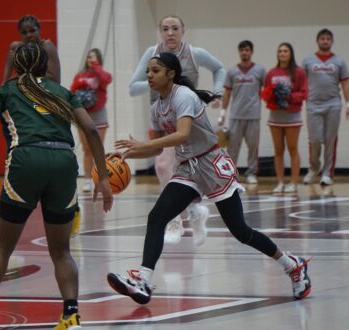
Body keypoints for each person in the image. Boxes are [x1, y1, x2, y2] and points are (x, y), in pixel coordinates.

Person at [106, 53, 311, 305]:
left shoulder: (183, 96)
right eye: (147, 71)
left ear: (170, 74)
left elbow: (182, 135)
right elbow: (158, 149)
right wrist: (128, 153)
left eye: (155, 70)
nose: (148, 75)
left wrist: (142, 144)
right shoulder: (156, 107)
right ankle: (143, 279)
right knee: (157, 216)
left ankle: (292, 265)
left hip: (212, 164)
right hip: (187, 169)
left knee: (240, 231)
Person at [0, 42, 113, 330]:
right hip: (64, 162)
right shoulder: (63, 91)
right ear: (46, 65)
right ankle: (71, 315)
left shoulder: (6, 90)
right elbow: (91, 129)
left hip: (26, 160)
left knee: (2, 245)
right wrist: (103, 178)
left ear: (16, 66)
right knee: (61, 251)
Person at [129, 14, 226, 245]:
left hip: (189, 119)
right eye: (165, 28)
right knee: (164, 165)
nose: (170, 32)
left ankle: (192, 211)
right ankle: (181, 218)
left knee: (189, 168)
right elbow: (132, 88)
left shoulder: (195, 53)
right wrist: (159, 80)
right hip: (162, 117)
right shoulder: (152, 54)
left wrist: (218, 92)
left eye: (174, 28)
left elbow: (219, 68)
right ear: (160, 32)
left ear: (183, 30)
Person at [302, 29, 349, 186]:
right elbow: (301, 82)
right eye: (322, 38)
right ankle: (314, 169)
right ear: (317, 41)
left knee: (330, 140)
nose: (325, 41)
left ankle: (327, 173)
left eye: (328, 39)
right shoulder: (308, 61)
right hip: (313, 104)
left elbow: (345, 83)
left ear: (332, 41)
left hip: (333, 104)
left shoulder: (339, 61)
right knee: (315, 139)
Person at [218, 40, 267, 185]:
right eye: (242, 50)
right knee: (233, 147)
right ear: (239, 52)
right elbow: (227, 93)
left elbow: (268, 90)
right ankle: (231, 174)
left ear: (251, 52)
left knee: (253, 146)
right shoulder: (232, 71)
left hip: (253, 115)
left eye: (247, 50)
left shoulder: (260, 70)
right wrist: (222, 112)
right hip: (236, 115)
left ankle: (251, 173)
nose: (244, 53)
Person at [263, 43, 308, 194]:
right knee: (278, 150)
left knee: (293, 149)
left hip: (292, 116)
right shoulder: (271, 73)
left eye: (285, 51)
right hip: (275, 116)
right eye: (280, 51)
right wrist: (273, 98)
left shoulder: (299, 72)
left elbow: (304, 93)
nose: (282, 53)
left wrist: (288, 96)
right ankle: (280, 182)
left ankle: (294, 183)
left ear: (291, 54)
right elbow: (266, 92)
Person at [70, 48, 112, 193]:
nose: (90, 60)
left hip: (99, 115)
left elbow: (106, 80)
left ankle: (101, 179)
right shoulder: (79, 75)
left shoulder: (102, 74)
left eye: (93, 58)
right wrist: (81, 84)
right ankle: (87, 180)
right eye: (89, 57)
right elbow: (72, 91)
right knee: (87, 149)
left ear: (99, 59)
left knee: (98, 149)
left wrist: (96, 67)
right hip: (84, 115)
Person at [1, 15, 61, 84]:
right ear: (19, 34)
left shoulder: (47, 46)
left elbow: (55, 80)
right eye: (24, 32)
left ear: (39, 30)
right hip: (25, 88)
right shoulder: (15, 47)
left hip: (45, 89)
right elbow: (4, 82)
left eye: (32, 31)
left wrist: (23, 75)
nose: (28, 35)